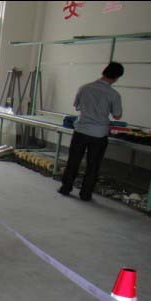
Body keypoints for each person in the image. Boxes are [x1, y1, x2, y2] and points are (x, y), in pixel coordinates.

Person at [58, 62, 124, 201]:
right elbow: (117, 116)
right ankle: (85, 194)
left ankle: (65, 188)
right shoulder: (114, 94)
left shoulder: (84, 88)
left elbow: (77, 106)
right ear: (117, 77)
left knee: (73, 161)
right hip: (99, 134)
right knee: (93, 165)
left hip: (81, 130)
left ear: (103, 72)